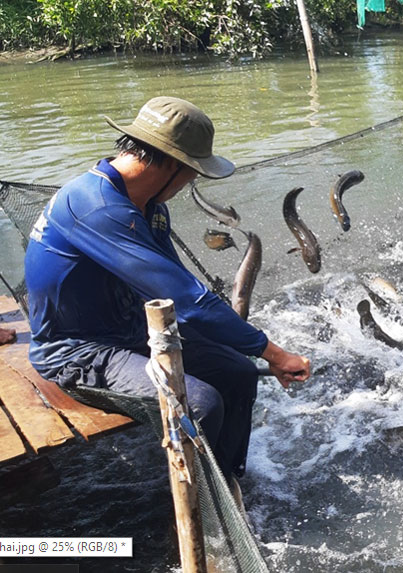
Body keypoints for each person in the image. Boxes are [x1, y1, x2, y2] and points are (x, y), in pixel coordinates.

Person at [24, 96, 311, 477]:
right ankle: (202, 514)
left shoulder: (149, 206)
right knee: (202, 403)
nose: (191, 181)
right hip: (78, 352)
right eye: (193, 172)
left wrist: (240, 346)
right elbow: (187, 300)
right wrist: (273, 352)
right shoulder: (98, 207)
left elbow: (176, 290)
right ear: (172, 165)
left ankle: (228, 481)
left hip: (129, 331)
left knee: (239, 373)